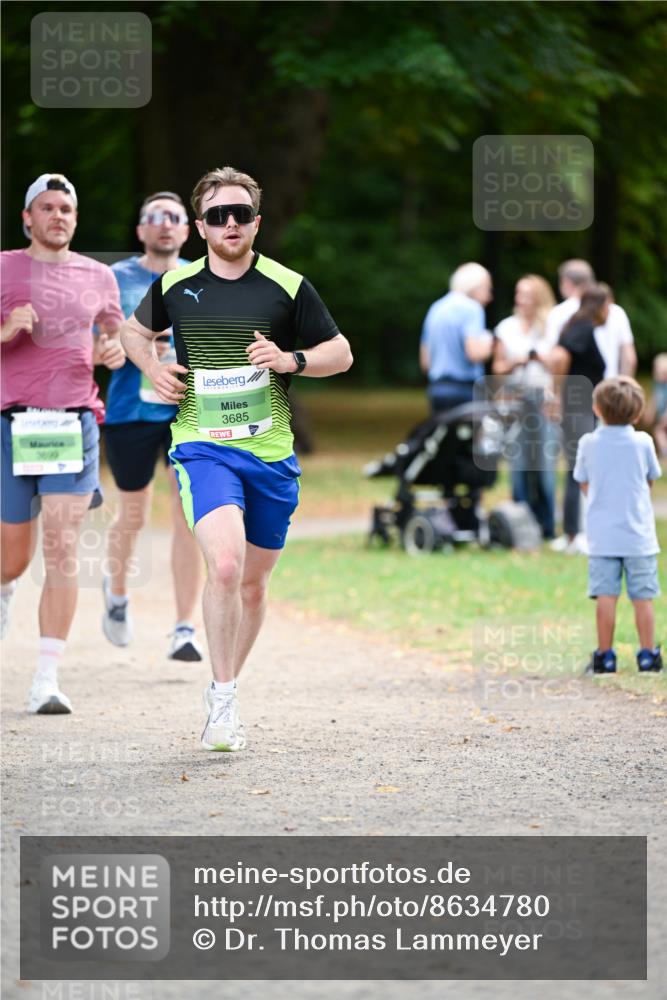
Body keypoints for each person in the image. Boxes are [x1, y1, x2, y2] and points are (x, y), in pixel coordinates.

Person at [119, 165, 353, 751]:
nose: (230, 223)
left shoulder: (287, 285)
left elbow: (341, 353)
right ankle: (222, 701)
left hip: (271, 455)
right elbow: (131, 333)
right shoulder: (176, 287)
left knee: (252, 583)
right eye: (218, 215)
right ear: (200, 225)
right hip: (203, 447)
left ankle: (228, 683)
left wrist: (291, 360)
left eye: (240, 214)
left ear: (256, 222)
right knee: (223, 566)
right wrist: (152, 368)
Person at [0, 173, 125, 713]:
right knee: (11, 559)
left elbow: (113, 340)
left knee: (61, 544)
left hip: (74, 423)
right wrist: (5, 330)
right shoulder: (3, 268)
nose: (58, 216)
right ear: (28, 217)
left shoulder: (99, 276)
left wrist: (113, 353)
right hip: (12, 423)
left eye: (66, 209)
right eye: (47, 207)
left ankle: (46, 680)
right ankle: (5, 588)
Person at [102, 191, 203, 660]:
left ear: (187, 229)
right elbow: (94, 346)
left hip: (186, 408)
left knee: (188, 513)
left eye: (175, 218)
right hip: (130, 409)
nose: (165, 225)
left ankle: (185, 627)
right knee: (135, 513)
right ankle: (117, 592)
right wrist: (109, 350)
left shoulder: (200, 278)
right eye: (154, 218)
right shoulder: (113, 278)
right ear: (141, 229)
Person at [574, 377, 662, 674]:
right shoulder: (643, 442)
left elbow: (584, 483)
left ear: (597, 409)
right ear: (637, 413)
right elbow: (649, 480)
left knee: (605, 596)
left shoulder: (588, 443)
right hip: (639, 537)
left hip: (602, 536)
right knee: (643, 598)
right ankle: (648, 656)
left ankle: (604, 656)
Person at [493, 275, 558, 538]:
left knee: (544, 464)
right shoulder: (506, 328)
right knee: (518, 463)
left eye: (527, 295)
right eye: (519, 294)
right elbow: (496, 368)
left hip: (543, 399)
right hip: (516, 399)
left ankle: (548, 525)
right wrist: (515, 362)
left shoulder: (551, 327)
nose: (520, 300)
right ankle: (522, 526)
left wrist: (540, 358)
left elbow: (560, 363)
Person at [549, 285, 610, 555]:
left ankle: (573, 530)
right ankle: (575, 534)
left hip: (581, 406)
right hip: (578, 406)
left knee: (577, 468)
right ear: (599, 305)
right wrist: (558, 394)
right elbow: (560, 356)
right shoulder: (583, 329)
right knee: (579, 469)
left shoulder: (579, 326)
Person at [420, 262, 494, 413]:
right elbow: (474, 353)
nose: (489, 297)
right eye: (488, 289)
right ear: (475, 286)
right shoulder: (472, 308)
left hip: (437, 390)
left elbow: (425, 362)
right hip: (464, 391)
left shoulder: (436, 308)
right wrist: (490, 342)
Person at [545, 259, 637, 378]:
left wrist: (557, 390)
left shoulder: (559, 313)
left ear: (566, 282)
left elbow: (556, 357)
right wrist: (625, 385)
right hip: (609, 387)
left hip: (577, 390)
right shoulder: (616, 311)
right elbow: (629, 359)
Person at [644, 353, 667, 460]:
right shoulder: (657, 384)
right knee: (659, 430)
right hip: (662, 414)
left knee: (659, 429)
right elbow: (655, 400)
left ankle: (665, 452)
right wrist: (649, 413)